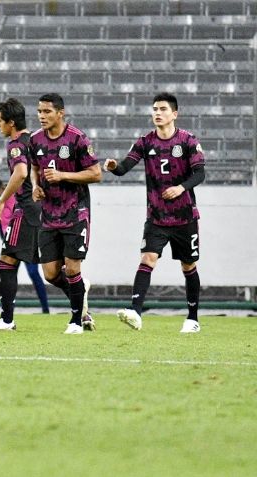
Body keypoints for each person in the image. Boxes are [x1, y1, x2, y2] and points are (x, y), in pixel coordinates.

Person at [104, 92, 205, 333]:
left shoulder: (188, 141)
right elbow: (124, 167)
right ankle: (135, 312)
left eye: (162, 109)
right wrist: (113, 166)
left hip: (185, 218)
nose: (157, 113)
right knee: (147, 259)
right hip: (157, 218)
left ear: (174, 114)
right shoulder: (145, 142)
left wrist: (180, 188)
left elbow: (200, 173)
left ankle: (192, 319)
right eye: (155, 109)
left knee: (188, 266)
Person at [30, 93, 102, 334]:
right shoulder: (35, 140)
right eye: (40, 111)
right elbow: (34, 167)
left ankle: (75, 321)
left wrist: (63, 175)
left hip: (75, 212)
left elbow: (96, 173)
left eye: (47, 112)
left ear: (60, 113)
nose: (42, 116)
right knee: (50, 274)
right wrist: (35, 186)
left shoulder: (77, 139)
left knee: (72, 268)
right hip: (49, 215)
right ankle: (81, 294)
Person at [0, 174, 50, 329]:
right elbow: (1, 222)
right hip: (10, 239)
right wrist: (4, 240)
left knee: (35, 273)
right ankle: (6, 315)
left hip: (24, 236)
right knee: (8, 273)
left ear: (1, 187)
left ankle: (46, 309)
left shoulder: (15, 192)